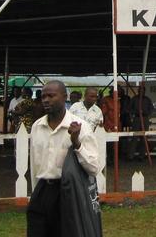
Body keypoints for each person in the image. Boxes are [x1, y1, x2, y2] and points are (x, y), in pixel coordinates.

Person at [27, 80, 100, 236]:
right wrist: (36, 194)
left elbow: (94, 167)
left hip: (67, 193)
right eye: (43, 96)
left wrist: (76, 143)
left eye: (51, 96)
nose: (46, 100)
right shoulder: (37, 127)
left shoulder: (81, 126)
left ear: (64, 97)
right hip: (42, 191)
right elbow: (35, 164)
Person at [127, 83, 153, 160]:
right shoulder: (134, 99)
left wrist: (145, 112)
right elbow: (129, 109)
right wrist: (136, 112)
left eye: (143, 91)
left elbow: (151, 109)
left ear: (144, 91)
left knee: (144, 138)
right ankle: (130, 156)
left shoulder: (147, 99)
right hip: (137, 119)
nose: (141, 92)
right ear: (138, 91)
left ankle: (142, 155)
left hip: (144, 119)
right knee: (134, 137)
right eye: (140, 90)